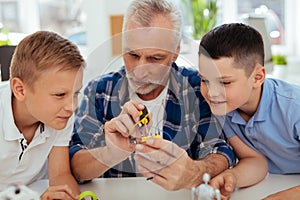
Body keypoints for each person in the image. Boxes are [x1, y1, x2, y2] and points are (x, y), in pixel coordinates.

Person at [69, 0, 239, 191]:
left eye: (155, 58)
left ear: (175, 52)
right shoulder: (99, 91)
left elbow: (221, 151)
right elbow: (76, 167)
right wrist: (112, 153)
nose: (140, 72)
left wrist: (194, 171)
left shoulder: (197, 88)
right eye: (132, 55)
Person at [198, 22, 300, 199]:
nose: (212, 93)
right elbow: (255, 161)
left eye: (224, 82)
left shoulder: (294, 108)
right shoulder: (226, 109)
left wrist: (282, 197)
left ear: (257, 78)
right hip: (274, 182)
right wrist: (232, 177)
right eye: (205, 80)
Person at [0, 31, 85, 199]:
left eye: (76, 93)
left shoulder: (60, 114)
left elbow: (60, 174)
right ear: (20, 89)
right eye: (60, 95)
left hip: (32, 190)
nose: (72, 106)